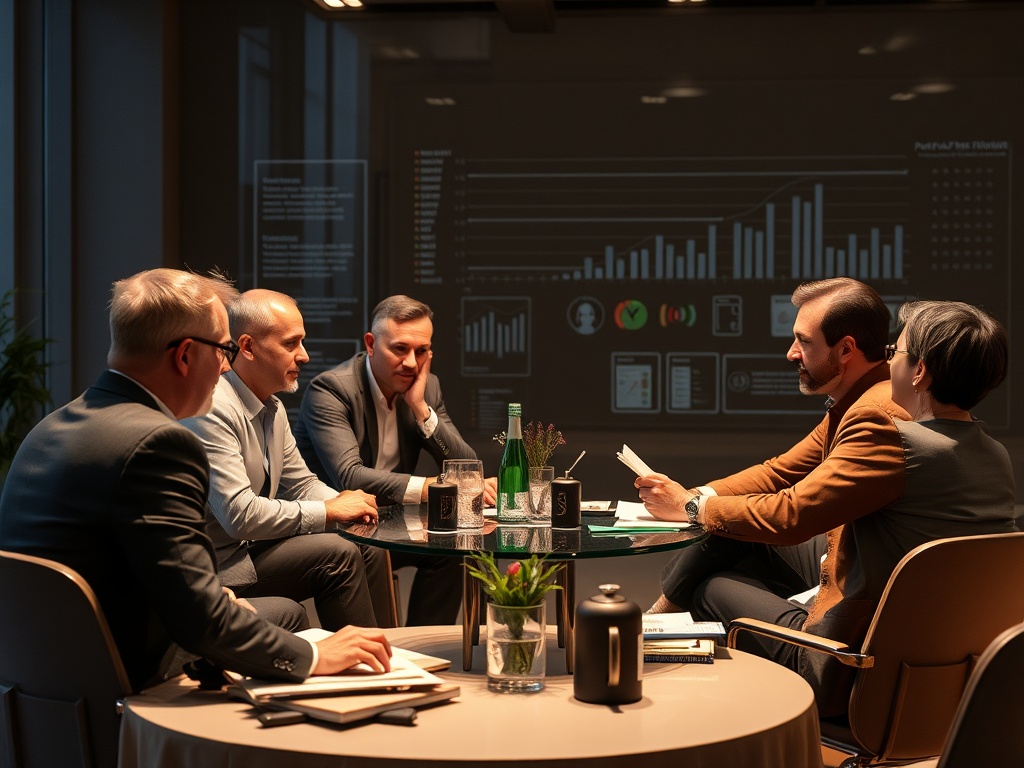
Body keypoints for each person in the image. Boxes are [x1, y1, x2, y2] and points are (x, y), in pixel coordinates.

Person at [0, 269, 391, 692]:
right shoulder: (158, 443)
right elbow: (201, 624)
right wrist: (316, 656)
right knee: (288, 623)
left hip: (38, 682)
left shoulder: (52, 425)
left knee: (282, 611)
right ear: (185, 355)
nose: (226, 366)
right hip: (126, 678)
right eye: (224, 349)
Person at [636, 280, 1016, 716]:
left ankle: (669, 679)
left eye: (896, 353)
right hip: (942, 679)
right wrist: (699, 501)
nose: (886, 361)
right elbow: (782, 476)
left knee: (713, 585)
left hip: (846, 668)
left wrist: (690, 506)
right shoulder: (995, 454)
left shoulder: (895, 439)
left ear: (919, 372)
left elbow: (792, 514)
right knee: (732, 535)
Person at [182, 289, 387, 631]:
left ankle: (389, 651)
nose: (304, 356)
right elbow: (239, 515)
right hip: (218, 568)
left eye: (302, 343)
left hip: (247, 550)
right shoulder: (213, 407)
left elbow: (301, 483)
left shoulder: (270, 405)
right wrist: (331, 511)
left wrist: (345, 503)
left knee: (367, 545)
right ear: (246, 347)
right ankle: (366, 665)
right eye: (291, 344)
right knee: (337, 554)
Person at [294, 295, 494, 625]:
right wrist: (436, 488)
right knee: (372, 549)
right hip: (339, 526)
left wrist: (419, 407)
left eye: (422, 351)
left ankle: (424, 647)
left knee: (460, 544)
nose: (412, 363)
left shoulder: (426, 388)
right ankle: (390, 652)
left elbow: (468, 467)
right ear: (371, 344)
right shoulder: (330, 390)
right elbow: (350, 477)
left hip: (390, 524)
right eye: (400, 349)